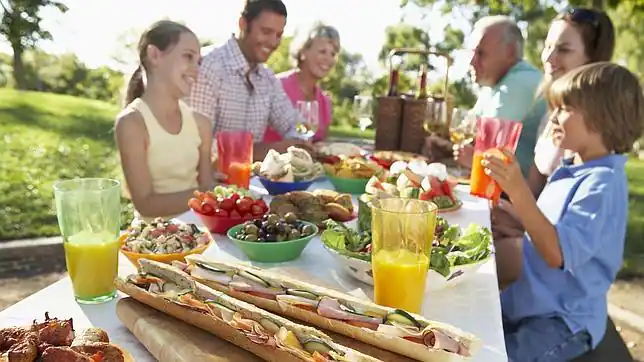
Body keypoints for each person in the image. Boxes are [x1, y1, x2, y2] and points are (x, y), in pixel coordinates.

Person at [483, 62, 644, 361]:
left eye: (564, 109)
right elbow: (552, 228)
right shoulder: (573, 170)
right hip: (531, 301)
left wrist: (518, 191)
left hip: (561, 321)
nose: (554, 118)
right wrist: (518, 221)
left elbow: (558, 252)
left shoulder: (602, 184)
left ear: (602, 118)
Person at [492, 8, 616, 245]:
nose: (548, 58)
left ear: (592, 60)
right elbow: (535, 198)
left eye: (563, 49)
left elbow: (566, 239)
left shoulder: (588, 132)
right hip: (532, 240)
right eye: (548, 47)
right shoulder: (551, 113)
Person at [188, 0, 312, 161]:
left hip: (249, 181)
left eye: (279, 35)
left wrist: (299, 139)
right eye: (266, 32)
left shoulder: (267, 78)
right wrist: (271, 150)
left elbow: (292, 123)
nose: (274, 42)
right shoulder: (207, 66)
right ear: (243, 24)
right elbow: (198, 144)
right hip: (209, 182)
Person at [115, 20, 214, 221]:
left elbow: (208, 187)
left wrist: (214, 192)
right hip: (153, 243)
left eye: (198, 61)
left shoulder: (201, 123)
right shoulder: (132, 123)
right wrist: (210, 194)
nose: (196, 69)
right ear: (154, 56)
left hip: (199, 234)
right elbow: (145, 204)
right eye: (188, 57)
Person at [447, 15, 546, 177]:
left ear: (510, 52)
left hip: (515, 195)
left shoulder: (519, 84)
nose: (471, 61)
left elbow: (486, 150)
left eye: (481, 53)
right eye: (472, 53)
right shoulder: (496, 84)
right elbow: (467, 128)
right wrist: (444, 145)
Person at [263, 23, 341, 143]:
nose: (329, 59)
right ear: (303, 51)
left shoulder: (324, 102)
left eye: (333, 54)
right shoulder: (276, 86)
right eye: (322, 51)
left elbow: (321, 145)